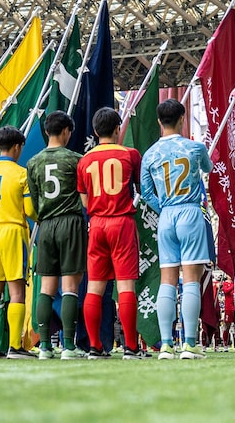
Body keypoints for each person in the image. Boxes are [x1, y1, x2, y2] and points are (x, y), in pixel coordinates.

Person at [141, 98, 213, 360]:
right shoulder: (194, 147)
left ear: (160, 122)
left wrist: (164, 207)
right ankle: (190, 345)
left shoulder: (149, 155)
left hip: (166, 215)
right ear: (182, 118)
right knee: (191, 278)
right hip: (190, 211)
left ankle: (167, 346)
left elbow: (147, 192)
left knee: (168, 280)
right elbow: (208, 168)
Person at [76, 107, 142, 360]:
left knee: (94, 287)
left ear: (95, 131)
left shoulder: (85, 160)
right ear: (118, 129)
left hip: (97, 223)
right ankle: (130, 347)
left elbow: (84, 199)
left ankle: (95, 346)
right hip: (122, 222)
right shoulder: (130, 154)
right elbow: (138, 189)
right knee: (125, 286)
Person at [26, 111, 86, 360]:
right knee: (70, 287)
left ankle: (44, 348)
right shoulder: (76, 159)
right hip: (70, 222)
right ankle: (69, 347)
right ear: (65, 132)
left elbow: (35, 198)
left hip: (46, 225)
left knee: (47, 288)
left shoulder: (33, 162)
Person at [0, 126, 38, 359]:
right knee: (16, 292)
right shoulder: (21, 173)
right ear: (17, 147)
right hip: (13, 231)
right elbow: (30, 210)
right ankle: (15, 347)